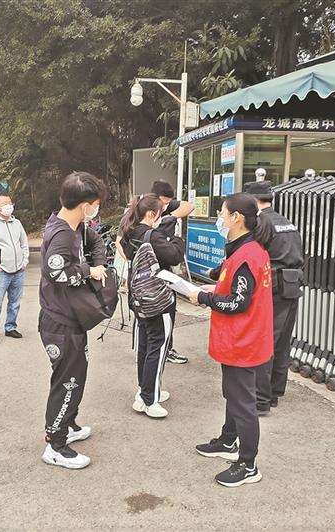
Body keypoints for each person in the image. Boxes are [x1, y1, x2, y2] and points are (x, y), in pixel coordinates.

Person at [188, 193, 274, 487]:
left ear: (237, 218)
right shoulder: (247, 250)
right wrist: (215, 283)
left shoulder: (247, 255)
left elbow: (238, 302)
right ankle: (228, 440)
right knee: (235, 396)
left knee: (243, 402)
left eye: (222, 214)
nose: (220, 219)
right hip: (243, 339)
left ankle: (248, 463)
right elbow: (235, 284)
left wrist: (203, 298)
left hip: (243, 340)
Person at [39, 171, 107, 469]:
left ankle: (67, 425)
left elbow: (98, 243)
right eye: (96, 204)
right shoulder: (62, 233)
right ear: (85, 205)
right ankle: (55, 444)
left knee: (76, 375)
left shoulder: (75, 226)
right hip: (59, 321)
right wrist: (88, 271)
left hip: (71, 317)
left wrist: (99, 264)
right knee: (66, 381)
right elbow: (54, 271)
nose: (96, 210)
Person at [121, 193, 185, 419]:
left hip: (139, 298)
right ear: (151, 214)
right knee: (158, 347)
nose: (162, 216)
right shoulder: (153, 236)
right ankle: (150, 399)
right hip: (158, 300)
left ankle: (144, 391)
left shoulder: (129, 232)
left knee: (146, 345)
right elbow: (175, 256)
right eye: (160, 212)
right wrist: (176, 238)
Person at [243, 181, 303, 414]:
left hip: (272, 286)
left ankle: (261, 399)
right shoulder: (287, 222)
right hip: (292, 284)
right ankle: (275, 392)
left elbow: (253, 256)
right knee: (282, 341)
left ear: (252, 200)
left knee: (265, 340)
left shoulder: (261, 223)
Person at [149, 180, 194, 364]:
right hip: (146, 270)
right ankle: (148, 350)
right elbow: (121, 239)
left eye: (168, 202)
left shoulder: (166, 210)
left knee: (167, 309)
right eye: (163, 202)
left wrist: (170, 216)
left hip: (165, 268)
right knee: (146, 312)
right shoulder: (140, 208)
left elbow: (189, 206)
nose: (166, 205)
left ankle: (166, 348)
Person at [0, 194, 29, 344]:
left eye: (10, 203)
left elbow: (24, 243)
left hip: (18, 270)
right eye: (5, 203)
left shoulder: (17, 223)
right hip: (1, 272)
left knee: (15, 303)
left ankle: (10, 327)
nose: (9, 206)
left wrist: (25, 261)